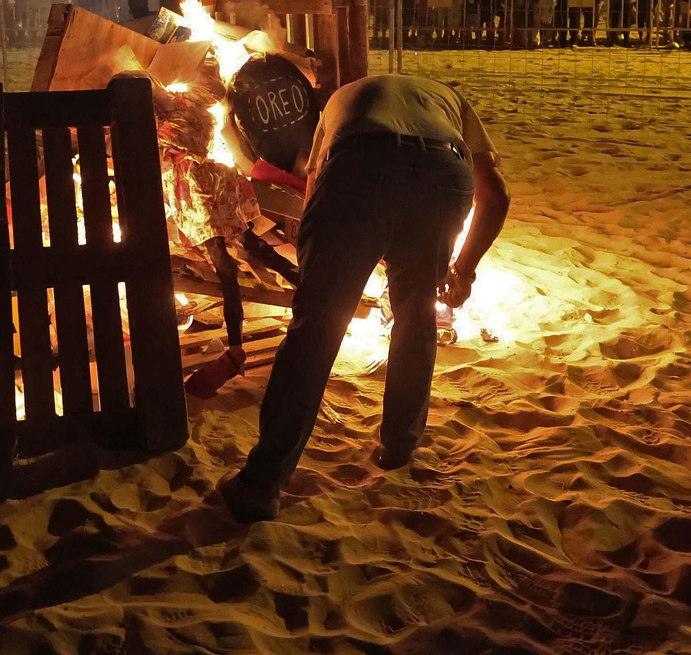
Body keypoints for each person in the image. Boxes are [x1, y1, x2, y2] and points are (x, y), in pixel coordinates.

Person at [219, 74, 510, 522]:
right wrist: (464, 270)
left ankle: (262, 483)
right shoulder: (452, 103)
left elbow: (316, 192)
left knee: (316, 326)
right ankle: (398, 448)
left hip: (358, 166)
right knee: (416, 316)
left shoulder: (339, 102)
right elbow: (497, 194)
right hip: (443, 176)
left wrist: (327, 264)